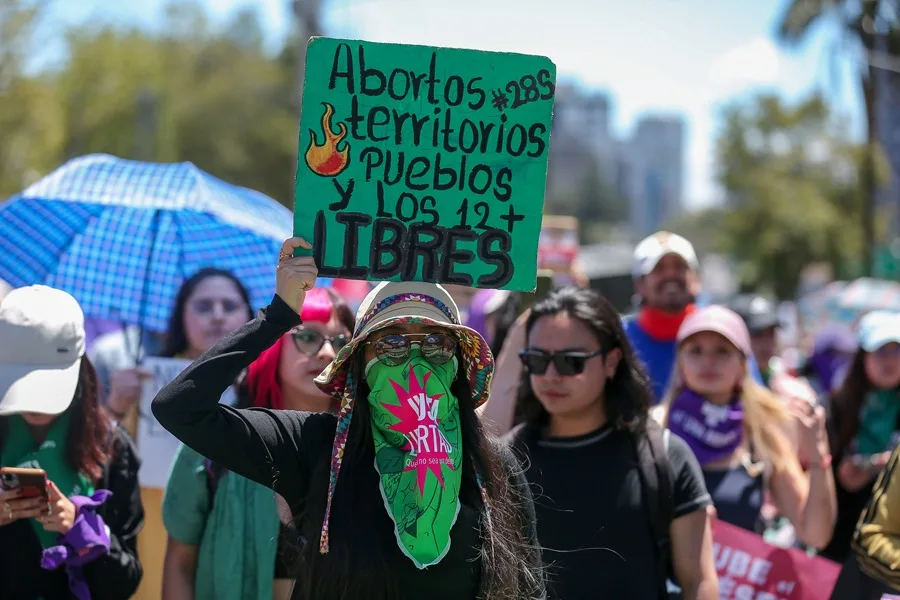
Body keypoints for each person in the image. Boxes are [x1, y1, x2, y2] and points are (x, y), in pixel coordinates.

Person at [152, 237, 545, 600]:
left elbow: (528, 589)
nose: (414, 360)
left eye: (435, 343)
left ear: (458, 365)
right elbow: (179, 407)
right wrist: (277, 316)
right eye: (391, 343)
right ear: (360, 366)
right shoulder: (313, 445)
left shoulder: (492, 464)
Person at [507, 287, 718, 600]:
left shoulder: (664, 456)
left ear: (611, 362)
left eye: (571, 362)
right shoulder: (505, 461)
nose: (550, 375)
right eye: (536, 360)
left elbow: (699, 582)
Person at [161, 287, 355, 600]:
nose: (326, 354)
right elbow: (180, 563)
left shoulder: (366, 447)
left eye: (341, 342)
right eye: (307, 337)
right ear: (273, 346)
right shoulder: (212, 443)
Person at [0, 285, 144, 599]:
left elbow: (126, 581)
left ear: (80, 367)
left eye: (46, 381)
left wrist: (80, 529)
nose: (35, 400)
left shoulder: (111, 445)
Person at [657, 306, 837, 548]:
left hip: (735, 582)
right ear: (680, 363)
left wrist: (818, 457)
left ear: (743, 364)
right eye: (695, 350)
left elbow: (815, 534)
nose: (708, 361)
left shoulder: (761, 434)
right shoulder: (655, 429)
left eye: (722, 351)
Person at [624, 232, 763, 402]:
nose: (670, 275)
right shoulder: (620, 338)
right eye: (659, 269)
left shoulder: (726, 330)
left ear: (695, 279)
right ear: (639, 285)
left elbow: (755, 402)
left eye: (680, 267)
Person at [822, 310, 900, 563]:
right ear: (862, 357)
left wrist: (877, 465)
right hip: (841, 537)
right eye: (881, 351)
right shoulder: (837, 406)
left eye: (897, 350)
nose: (890, 360)